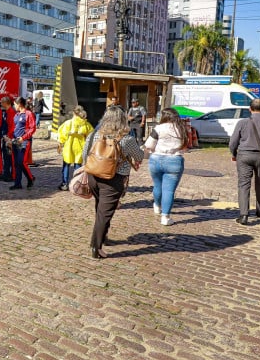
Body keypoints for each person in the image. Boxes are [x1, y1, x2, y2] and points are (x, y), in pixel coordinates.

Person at [83, 106, 144, 259]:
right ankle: (96, 248)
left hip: (93, 176)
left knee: (100, 208)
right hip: (113, 179)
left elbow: (84, 156)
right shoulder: (127, 139)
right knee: (105, 213)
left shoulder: (93, 136)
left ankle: (103, 237)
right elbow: (139, 156)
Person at [144, 107, 191, 226]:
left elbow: (149, 144)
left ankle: (156, 205)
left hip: (156, 159)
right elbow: (185, 147)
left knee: (157, 185)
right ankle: (165, 217)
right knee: (169, 190)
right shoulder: (181, 128)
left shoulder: (158, 128)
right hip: (174, 160)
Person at [57, 105, 93, 191]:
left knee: (66, 165)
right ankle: (76, 184)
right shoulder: (85, 124)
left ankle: (64, 184)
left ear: (74, 113)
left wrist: (60, 144)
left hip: (69, 147)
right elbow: (91, 135)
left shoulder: (68, 123)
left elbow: (62, 135)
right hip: (80, 147)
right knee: (78, 166)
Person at [8, 97, 36, 189]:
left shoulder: (28, 114)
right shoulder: (17, 115)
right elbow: (13, 128)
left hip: (24, 142)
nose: (13, 106)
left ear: (19, 104)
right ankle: (17, 184)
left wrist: (23, 138)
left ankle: (30, 178)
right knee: (16, 163)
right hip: (16, 141)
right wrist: (8, 137)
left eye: (14, 104)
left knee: (21, 162)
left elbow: (33, 128)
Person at [0, 96, 16, 182]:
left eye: (2, 102)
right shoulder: (6, 112)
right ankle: (6, 173)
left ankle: (11, 175)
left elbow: (12, 126)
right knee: (5, 156)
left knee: (9, 157)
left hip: (9, 138)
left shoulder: (11, 112)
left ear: (6, 103)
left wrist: (8, 137)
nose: (1, 103)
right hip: (5, 137)